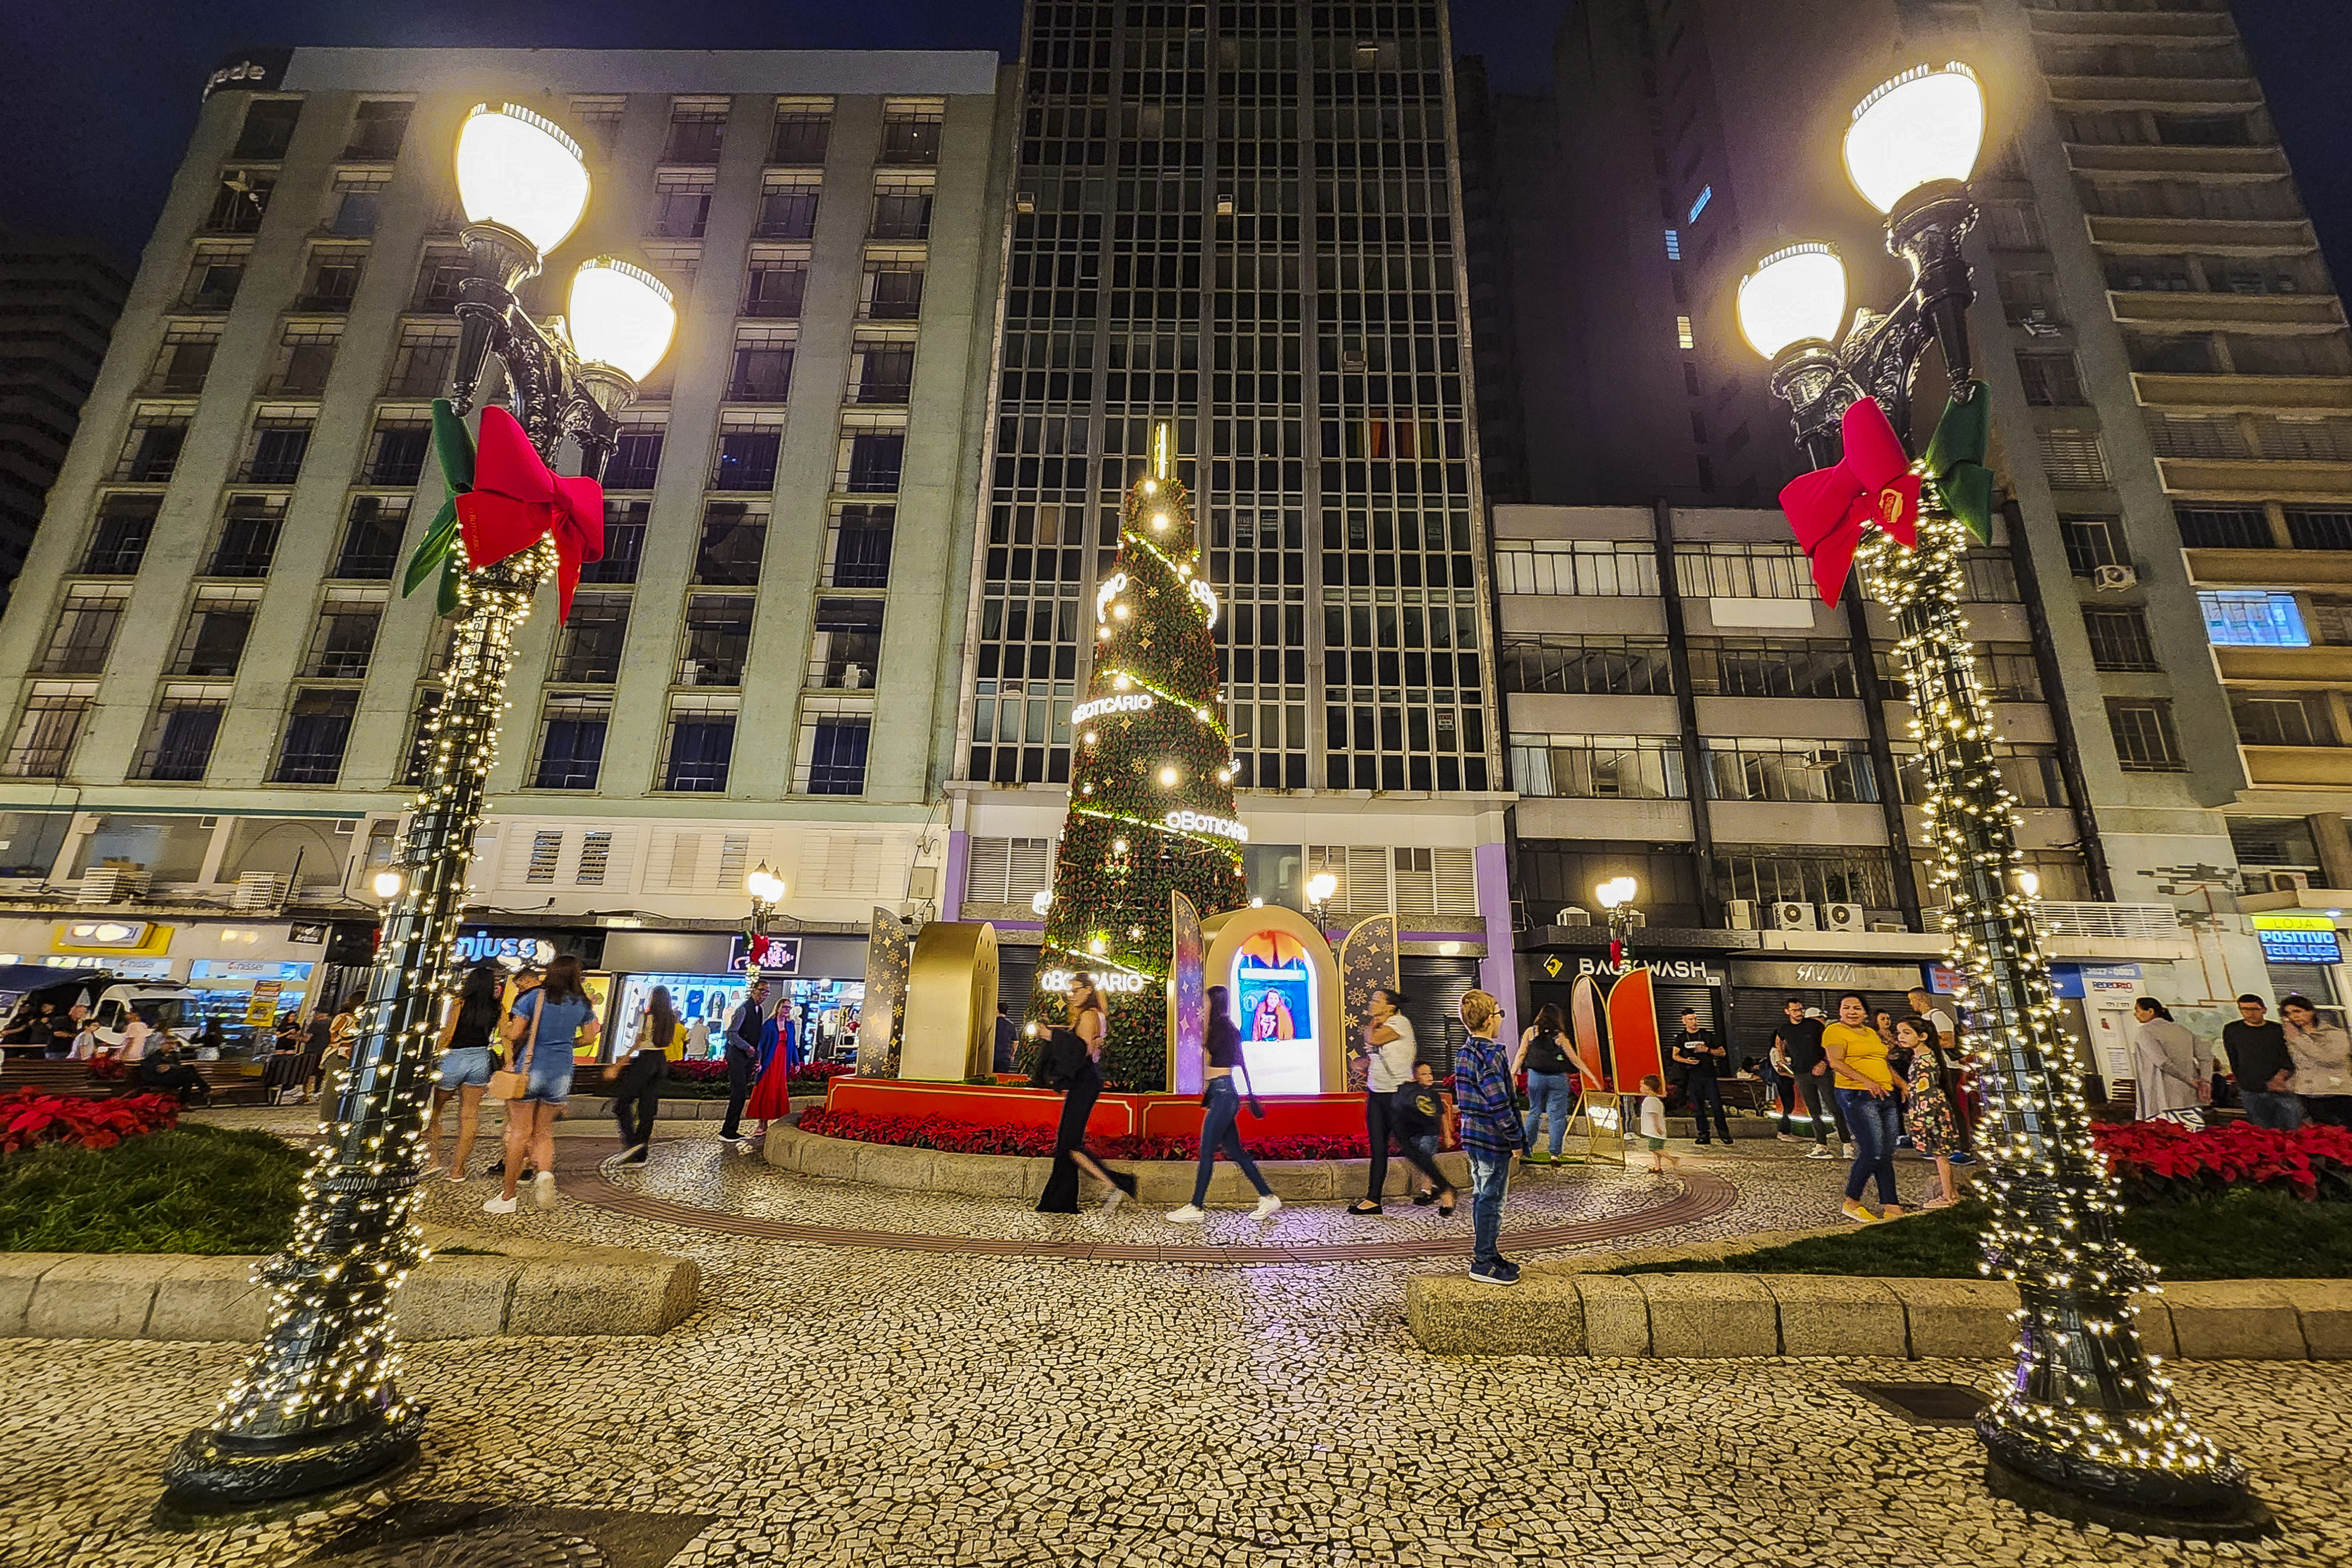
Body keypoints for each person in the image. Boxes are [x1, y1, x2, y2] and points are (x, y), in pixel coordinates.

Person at [485, 954, 599, 1215]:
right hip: (561, 1072)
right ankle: (545, 1174)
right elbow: (590, 1038)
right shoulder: (581, 1003)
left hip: (530, 1069)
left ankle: (508, 1196)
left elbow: (514, 1034)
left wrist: (507, 1028)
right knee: (544, 1132)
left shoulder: (534, 998)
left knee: (519, 1132)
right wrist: (567, 1043)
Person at [1167, 984, 1282, 1222]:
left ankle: (1196, 1206)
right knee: (1236, 1152)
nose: (1202, 1006)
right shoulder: (1222, 1028)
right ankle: (1267, 1196)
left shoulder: (1223, 1029)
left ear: (1214, 1003)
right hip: (1222, 1093)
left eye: (1206, 1002)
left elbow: (1227, 1059)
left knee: (1207, 1150)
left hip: (1223, 1094)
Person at [1034, 973, 1138, 1213]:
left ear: (1088, 990)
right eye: (1070, 990)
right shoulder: (1095, 1016)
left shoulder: (1089, 1016)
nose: (1072, 995)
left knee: (1070, 1145)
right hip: (1086, 1082)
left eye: (1076, 989)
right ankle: (1059, 1201)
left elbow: (1079, 1052)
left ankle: (1118, 1184)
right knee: (1066, 1144)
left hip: (1085, 1083)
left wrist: (1051, 1036)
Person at [1452, 989, 1521, 1286]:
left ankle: (1489, 1253)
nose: (1500, 1019)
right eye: (1498, 1013)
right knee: (1492, 1199)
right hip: (1493, 1138)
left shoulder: (1465, 1052)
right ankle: (1483, 1260)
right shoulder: (1491, 1054)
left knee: (1483, 1195)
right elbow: (1499, 1101)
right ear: (1489, 1020)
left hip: (1472, 1136)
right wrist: (1516, 1137)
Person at [1823, 992, 1904, 1224]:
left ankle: (1891, 1204)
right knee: (1873, 1150)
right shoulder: (1835, 1031)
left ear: (1865, 1013)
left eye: (1857, 1008)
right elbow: (1836, 1062)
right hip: (1857, 1094)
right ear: (1839, 1011)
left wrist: (1901, 1083)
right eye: (1846, 1007)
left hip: (1885, 1092)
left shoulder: (1870, 1033)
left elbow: (1882, 1062)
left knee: (1886, 1151)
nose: (1851, 1012)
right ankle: (1852, 1201)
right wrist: (1866, 1081)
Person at [425, 962, 506, 1181]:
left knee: (435, 1112)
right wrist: (509, 1062)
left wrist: (434, 1055)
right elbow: (505, 1035)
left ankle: (434, 1159)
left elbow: (448, 1034)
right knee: (469, 1115)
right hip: (480, 1059)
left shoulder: (459, 1003)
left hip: (454, 1058)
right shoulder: (498, 1007)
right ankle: (458, 1169)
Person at [1350, 987, 1420, 1214]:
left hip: (1396, 1095)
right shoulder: (1383, 1025)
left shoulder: (1400, 1022)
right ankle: (1373, 1199)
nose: (1371, 1003)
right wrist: (1365, 1065)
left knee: (1408, 1147)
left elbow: (1374, 1038)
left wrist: (1372, 1026)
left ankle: (1445, 1187)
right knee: (1378, 1148)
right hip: (1377, 1094)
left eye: (1376, 1000)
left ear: (1390, 1006)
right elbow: (1384, 1055)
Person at [1907, 984, 1976, 1165]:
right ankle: (1945, 1146)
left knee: (1953, 1106)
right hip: (1934, 1068)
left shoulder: (1937, 1016)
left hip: (1948, 1068)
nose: (1911, 1004)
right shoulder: (1923, 1019)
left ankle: (1964, 1148)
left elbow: (1949, 1041)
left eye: (1912, 1000)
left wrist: (1926, 1043)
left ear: (1920, 999)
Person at [1896, 1015, 1959, 1208]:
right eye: (1899, 1033)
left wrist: (1922, 1119)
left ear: (1922, 1036)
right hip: (1930, 1109)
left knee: (1940, 1155)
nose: (1901, 1037)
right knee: (1939, 1155)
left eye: (1907, 1033)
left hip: (1930, 1112)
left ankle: (1948, 1196)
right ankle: (1950, 1191)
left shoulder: (1924, 1060)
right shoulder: (1922, 1057)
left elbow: (1927, 1091)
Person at [609, 984, 675, 1164]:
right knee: (647, 1108)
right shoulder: (671, 1018)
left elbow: (638, 1041)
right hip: (660, 1062)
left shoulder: (648, 1017)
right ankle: (641, 1149)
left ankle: (632, 1142)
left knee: (623, 1102)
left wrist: (622, 1062)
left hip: (646, 1060)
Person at [1775, 998, 1848, 1159]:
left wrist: (1825, 1062)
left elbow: (1829, 1045)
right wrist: (1783, 1059)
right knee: (1814, 1110)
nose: (1799, 1013)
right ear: (1787, 1012)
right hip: (1801, 1073)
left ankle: (1847, 1143)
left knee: (1834, 1106)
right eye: (1795, 1010)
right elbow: (1779, 1042)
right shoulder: (1784, 1029)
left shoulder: (1814, 1026)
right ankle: (1821, 1144)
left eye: (1801, 1009)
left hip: (1821, 1071)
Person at [1512, 1002, 1577, 1165]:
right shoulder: (1560, 1036)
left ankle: (1527, 1149)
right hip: (1557, 1078)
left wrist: (1512, 1073)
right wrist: (1592, 1076)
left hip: (1535, 1076)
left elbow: (1521, 1055)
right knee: (1557, 1117)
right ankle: (1555, 1154)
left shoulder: (1530, 1032)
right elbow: (1574, 1059)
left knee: (1534, 1111)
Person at [2223, 993, 2299, 1130]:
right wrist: (2241, 1080)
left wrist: (2282, 1076)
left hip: (2281, 1086)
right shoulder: (2233, 1030)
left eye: (2254, 1009)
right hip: (2251, 1088)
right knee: (2262, 1130)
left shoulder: (2276, 1029)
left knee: (2291, 1128)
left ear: (2264, 1010)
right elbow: (2233, 1056)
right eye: (2245, 1010)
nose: (2250, 1014)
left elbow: (2288, 1056)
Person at [2127, 997, 2207, 1121]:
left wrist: (2190, 1080)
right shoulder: (2183, 1030)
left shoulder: (2145, 1032)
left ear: (2151, 1012)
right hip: (2191, 1097)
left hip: (2162, 1099)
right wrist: (2205, 1082)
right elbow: (2206, 1057)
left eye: (2137, 1010)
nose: (2135, 1015)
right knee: (2193, 1135)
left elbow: (2162, 1062)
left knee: (2164, 1136)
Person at [1391, 1061, 1456, 1211]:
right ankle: (1434, 1186)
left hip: (1430, 1134)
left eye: (1430, 1073)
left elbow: (1442, 1116)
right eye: (1424, 1074)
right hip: (1412, 1134)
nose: (1429, 1077)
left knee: (1426, 1157)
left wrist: (1447, 1136)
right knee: (1423, 1160)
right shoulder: (1408, 1091)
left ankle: (1426, 1191)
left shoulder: (1433, 1095)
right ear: (1416, 1077)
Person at [2280, 994, 2352, 1126]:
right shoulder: (2292, 1037)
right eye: (2288, 1013)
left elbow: (2331, 1059)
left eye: (2297, 1011)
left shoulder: (2334, 1034)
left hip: (2336, 1090)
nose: (2293, 1016)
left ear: (2311, 1012)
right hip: (2308, 1093)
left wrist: (2299, 1040)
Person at [1668, 1007, 1732, 1148]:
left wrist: (1708, 1050)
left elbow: (1722, 1052)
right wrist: (1686, 1061)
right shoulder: (1681, 1038)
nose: (1694, 1022)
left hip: (1708, 1075)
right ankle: (1703, 1134)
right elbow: (1675, 1055)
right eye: (1690, 1019)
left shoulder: (1707, 1035)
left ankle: (1723, 1132)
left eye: (1696, 1019)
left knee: (1716, 1104)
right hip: (1692, 1076)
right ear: (1684, 1021)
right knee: (1698, 1107)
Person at [718, 978, 769, 1150]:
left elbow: (757, 1035)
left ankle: (732, 1129)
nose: (764, 995)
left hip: (748, 1056)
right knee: (738, 1092)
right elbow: (732, 1033)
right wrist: (746, 1047)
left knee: (742, 1092)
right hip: (737, 1055)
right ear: (754, 990)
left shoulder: (758, 1010)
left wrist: (756, 1057)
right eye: (762, 991)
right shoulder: (744, 1009)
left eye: (767, 992)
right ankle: (728, 1130)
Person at [134, 1033, 209, 1105]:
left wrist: (171, 1067)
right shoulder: (154, 1056)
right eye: (169, 1043)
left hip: (172, 1078)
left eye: (174, 1043)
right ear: (161, 1045)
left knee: (188, 1075)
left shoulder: (174, 1056)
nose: (172, 1046)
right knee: (188, 1074)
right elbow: (157, 1069)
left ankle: (185, 1102)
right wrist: (168, 1068)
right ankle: (205, 1090)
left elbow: (177, 1067)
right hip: (158, 1079)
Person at [1636, 1074, 1676, 1172]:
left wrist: (1656, 1127)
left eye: (1642, 1086)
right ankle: (1658, 1167)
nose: (1640, 1088)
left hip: (1655, 1131)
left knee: (1655, 1148)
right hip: (1652, 1131)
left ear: (1649, 1088)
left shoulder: (1651, 1100)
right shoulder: (1651, 1100)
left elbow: (1654, 1115)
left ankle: (1673, 1159)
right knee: (1655, 1151)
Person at [991, 1002, 1017, 1076]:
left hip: (992, 1056)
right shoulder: (1011, 1025)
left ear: (997, 1010)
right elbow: (1015, 1042)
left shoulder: (993, 1023)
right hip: (1005, 1057)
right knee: (1002, 1079)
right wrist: (1012, 1055)